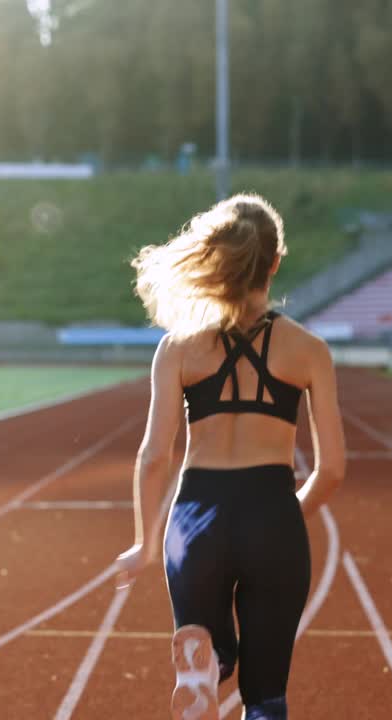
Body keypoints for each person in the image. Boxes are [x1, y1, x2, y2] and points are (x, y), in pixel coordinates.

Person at [114, 194, 346, 720]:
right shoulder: (309, 351)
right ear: (275, 262)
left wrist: (144, 544)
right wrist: (288, 514)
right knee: (266, 696)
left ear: (218, 260)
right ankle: (242, 690)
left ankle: (208, 660)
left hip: (197, 518)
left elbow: (154, 456)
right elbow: (332, 468)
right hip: (271, 514)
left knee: (205, 626)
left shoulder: (178, 348)